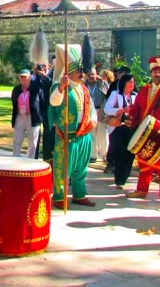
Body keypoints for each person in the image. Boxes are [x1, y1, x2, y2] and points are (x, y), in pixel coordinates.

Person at [125, 56, 160, 205]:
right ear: (151, 73)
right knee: (144, 163)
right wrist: (131, 117)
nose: (157, 74)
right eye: (155, 72)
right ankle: (142, 190)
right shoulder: (144, 90)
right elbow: (136, 108)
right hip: (145, 133)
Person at [49, 44, 97, 209]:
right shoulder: (60, 87)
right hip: (66, 136)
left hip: (84, 134)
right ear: (68, 72)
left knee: (81, 168)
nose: (81, 73)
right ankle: (59, 197)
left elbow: (90, 107)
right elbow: (54, 102)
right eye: (78, 70)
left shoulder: (84, 88)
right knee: (63, 168)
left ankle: (79, 194)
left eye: (82, 70)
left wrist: (94, 119)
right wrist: (61, 87)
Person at [104, 74, 137, 189]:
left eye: (133, 82)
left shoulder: (135, 96)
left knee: (130, 154)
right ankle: (119, 180)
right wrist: (122, 110)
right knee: (119, 154)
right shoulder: (115, 94)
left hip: (131, 129)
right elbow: (107, 109)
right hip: (118, 128)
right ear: (124, 83)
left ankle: (125, 175)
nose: (132, 84)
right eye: (130, 82)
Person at [11, 69, 46, 158]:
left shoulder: (36, 89)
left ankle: (30, 161)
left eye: (25, 77)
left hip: (32, 117)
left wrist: (39, 116)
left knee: (32, 142)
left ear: (30, 78)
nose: (23, 79)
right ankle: (15, 159)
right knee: (17, 140)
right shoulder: (16, 89)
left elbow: (42, 103)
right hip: (19, 116)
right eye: (21, 77)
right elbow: (14, 103)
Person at [85, 68, 109, 163]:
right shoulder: (83, 85)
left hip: (101, 110)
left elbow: (107, 97)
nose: (90, 76)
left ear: (96, 75)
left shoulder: (102, 84)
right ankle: (93, 155)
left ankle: (104, 154)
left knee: (102, 133)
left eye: (92, 74)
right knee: (91, 134)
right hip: (89, 111)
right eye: (88, 74)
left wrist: (102, 110)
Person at [33, 63, 54, 161]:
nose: (42, 67)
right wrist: (35, 75)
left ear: (48, 65)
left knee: (48, 133)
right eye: (40, 65)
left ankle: (47, 156)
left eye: (44, 65)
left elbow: (53, 85)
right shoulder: (35, 75)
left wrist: (44, 76)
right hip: (37, 108)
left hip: (48, 108)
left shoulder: (53, 74)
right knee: (35, 133)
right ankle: (34, 156)